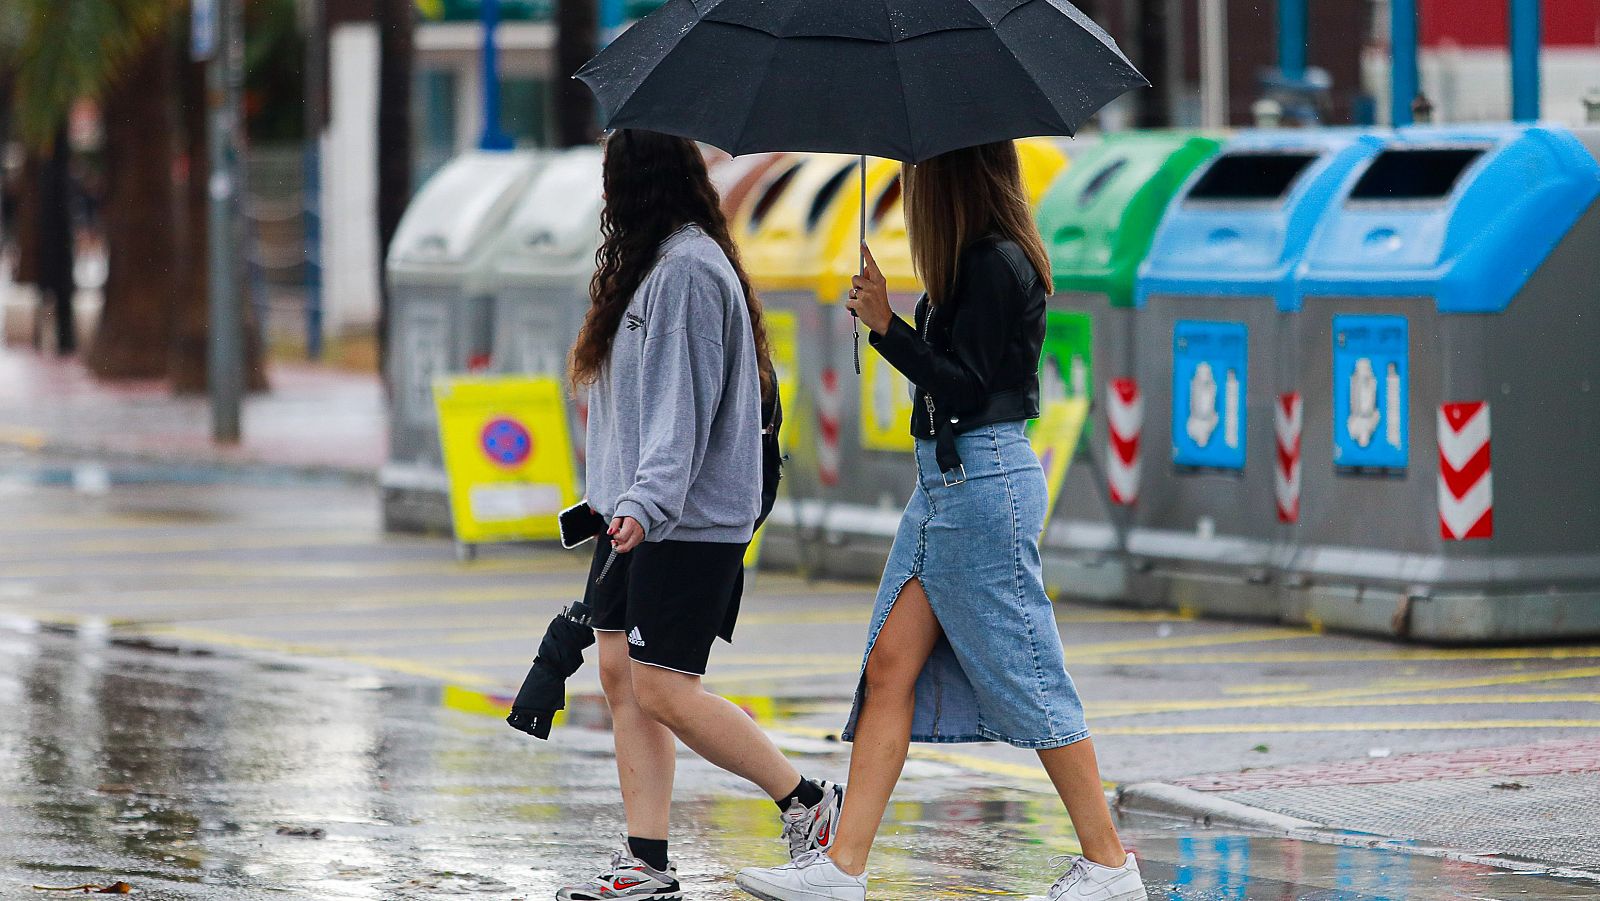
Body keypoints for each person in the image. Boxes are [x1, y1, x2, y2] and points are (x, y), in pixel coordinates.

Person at [734, 142, 1147, 901]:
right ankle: (842, 866)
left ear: (954, 177)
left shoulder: (995, 263)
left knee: (1030, 669)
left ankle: (1109, 863)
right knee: (890, 664)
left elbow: (966, 386)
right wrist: (895, 322)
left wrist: (889, 327)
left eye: (920, 173)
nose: (911, 188)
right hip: (948, 486)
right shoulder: (971, 264)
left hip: (983, 482)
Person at [558, 129, 843, 901]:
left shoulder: (685, 270)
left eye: (613, 177)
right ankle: (646, 861)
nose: (606, 196)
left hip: (683, 517)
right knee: (621, 674)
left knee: (662, 685)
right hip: (636, 512)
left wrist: (645, 503)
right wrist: (611, 499)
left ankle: (809, 803)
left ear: (638, 183)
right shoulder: (651, 267)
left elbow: (680, 411)